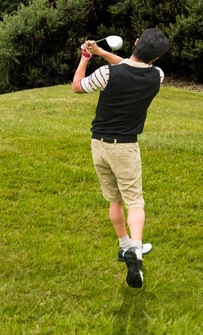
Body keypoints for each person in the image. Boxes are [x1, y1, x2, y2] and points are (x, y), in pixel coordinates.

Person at [71, 28, 170, 289]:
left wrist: (85, 57)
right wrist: (102, 53)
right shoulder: (157, 76)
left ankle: (124, 245)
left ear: (136, 43)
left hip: (99, 146)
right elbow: (129, 68)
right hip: (126, 148)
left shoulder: (107, 74)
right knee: (134, 202)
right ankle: (135, 250)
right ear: (157, 58)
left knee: (114, 200)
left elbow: (77, 87)